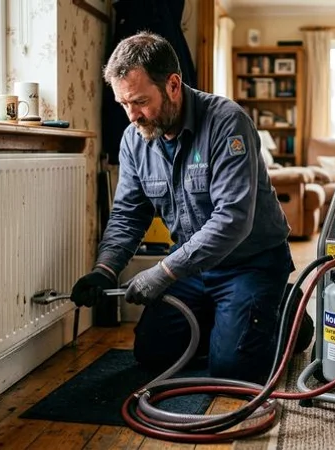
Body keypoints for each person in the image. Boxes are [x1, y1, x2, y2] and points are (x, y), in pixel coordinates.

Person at [70, 31, 312, 383]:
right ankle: (231, 318)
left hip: (250, 264)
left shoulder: (227, 123)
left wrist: (162, 273)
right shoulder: (134, 140)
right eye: (123, 104)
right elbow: (128, 214)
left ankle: (286, 312)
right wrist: (104, 270)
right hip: (194, 267)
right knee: (151, 353)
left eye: (139, 101)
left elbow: (232, 220)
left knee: (233, 371)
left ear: (172, 84)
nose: (132, 116)